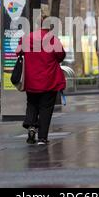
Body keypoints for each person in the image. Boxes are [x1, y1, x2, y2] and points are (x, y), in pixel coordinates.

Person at [16, 15, 66, 145]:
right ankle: (42, 137)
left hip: (31, 79)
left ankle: (31, 126)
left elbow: (18, 52)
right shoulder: (52, 40)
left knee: (32, 103)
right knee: (46, 108)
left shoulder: (27, 38)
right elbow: (61, 55)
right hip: (49, 80)